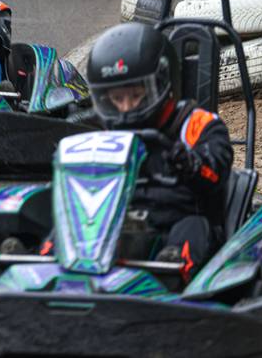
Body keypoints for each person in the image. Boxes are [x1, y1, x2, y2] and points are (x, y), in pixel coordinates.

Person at [85, 22, 233, 283]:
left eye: (136, 96)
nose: (126, 108)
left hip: (178, 224)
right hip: (117, 223)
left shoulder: (197, 124)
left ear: (162, 84)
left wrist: (189, 162)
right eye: (117, 99)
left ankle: (170, 276)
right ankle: (46, 259)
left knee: (194, 228)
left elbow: (216, 172)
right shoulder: (101, 131)